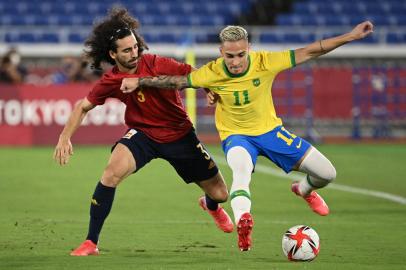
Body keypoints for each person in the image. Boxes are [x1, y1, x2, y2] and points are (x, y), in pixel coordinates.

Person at [120, 21, 374, 251]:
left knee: (327, 173)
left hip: (271, 132)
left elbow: (311, 50)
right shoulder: (212, 72)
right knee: (240, 173)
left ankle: (304, 190)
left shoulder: (265, 62)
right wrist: (140, 81)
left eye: (241, 54)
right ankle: (244, 224)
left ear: (248, 49)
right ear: (221, 53)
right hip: (236, 136)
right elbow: (176, 82)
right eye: (229, 56)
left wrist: (350, 36)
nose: (236, 62)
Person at [53, 7, 233, 256]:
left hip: (179, 134)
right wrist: (64, 137)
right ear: (112, 54)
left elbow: (193, 74)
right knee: (110, 173)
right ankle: (91, 242)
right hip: (143, 134)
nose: (134, 53)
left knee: (221, 194)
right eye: (127, 50)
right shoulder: (111, 81)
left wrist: (208, 89)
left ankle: (210, 206)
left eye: (135, 46)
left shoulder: (157, 63)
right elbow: (82, 106)